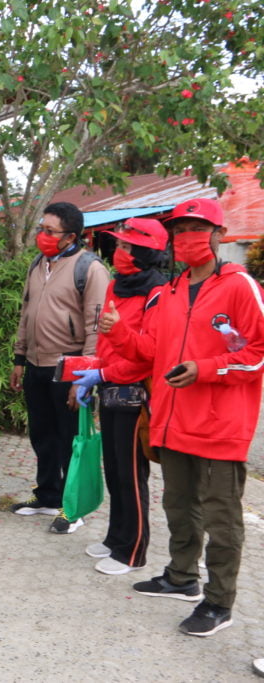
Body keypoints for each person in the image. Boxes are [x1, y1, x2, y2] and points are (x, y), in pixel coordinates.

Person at [98, 198, 264, 637]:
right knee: (178, 505)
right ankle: (181, 577)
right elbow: (152, 352)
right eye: (179, 230)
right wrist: (118, 331)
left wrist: (205, 369)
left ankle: (218, 603)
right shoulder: (169, 292)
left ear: (219, 235)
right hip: (172, 421)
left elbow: (257, 353)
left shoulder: (240, 286)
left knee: (221, 518)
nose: (186, 238)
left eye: (196, 228)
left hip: (220, 426)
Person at [71, 218, 169, 575]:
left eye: (128, 247)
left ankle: (133, 551)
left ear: (146, 252)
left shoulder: (159, 292)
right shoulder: (117, 285)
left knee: (131, 475)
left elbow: (150, 352)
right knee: (113, 469)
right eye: (120, 245)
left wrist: (104, 371)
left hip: (135, 394)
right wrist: (93, 373)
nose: (119, 252)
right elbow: (107, 341)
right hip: (111, 387)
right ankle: (116, 538)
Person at [9, 201, 110, 534]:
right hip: (36, 364)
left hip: (70, 367)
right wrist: (19, 359)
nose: (42, 235)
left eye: (49, 231)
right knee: (43, 436)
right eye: (41, 228)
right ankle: (48, 495)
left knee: (69, 440)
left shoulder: (89, 269)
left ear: (70, 236)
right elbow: (26, 314)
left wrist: (83, 378)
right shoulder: (38, 264)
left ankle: (73, 507)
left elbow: (96, 327)